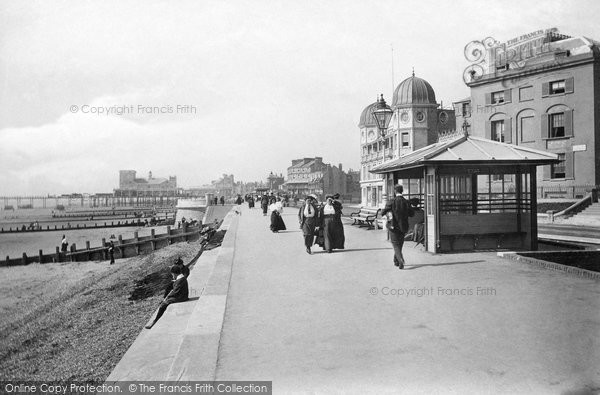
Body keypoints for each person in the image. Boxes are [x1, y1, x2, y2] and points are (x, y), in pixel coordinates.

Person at [381, 185, 415, 269]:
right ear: (402, 191)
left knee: (395, 244)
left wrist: (386, 214)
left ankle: (400, 260)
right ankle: (396, 260)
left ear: (395, 192)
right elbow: (412, 214)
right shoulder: (406, 202)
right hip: (403, 226)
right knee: (400, 244)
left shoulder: (391, 201)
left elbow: (383, 212)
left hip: (393, 226)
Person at [145, 264, 189, 329]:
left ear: (175, 274)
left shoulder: (180, 280)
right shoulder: (181, 278)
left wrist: (167, 298)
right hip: (181, 295)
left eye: (172, 274)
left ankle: (154, 321)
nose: (172, 276)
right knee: (166, 298)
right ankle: (155, 320)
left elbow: (175, 291)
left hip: (182, 297)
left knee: (163, 305)